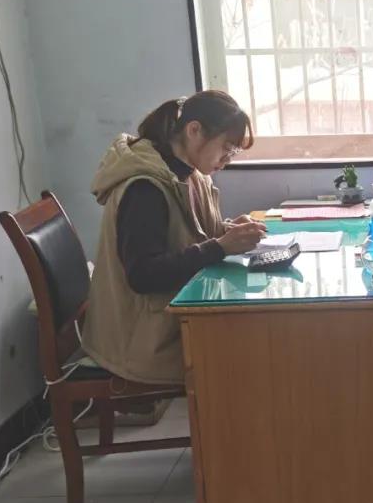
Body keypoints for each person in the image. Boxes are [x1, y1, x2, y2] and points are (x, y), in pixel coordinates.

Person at [82, 90, 266, 384]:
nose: (226, 160)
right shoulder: (144, 189)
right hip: (142, 341)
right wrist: (220, 247)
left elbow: (185, 233)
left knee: (260, 338)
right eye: (226, 148)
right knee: (256, 352)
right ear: (194, 130)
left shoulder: (190, 174)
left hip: (168, 319)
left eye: (233, 153)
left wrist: (226, 231)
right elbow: (144, 275)